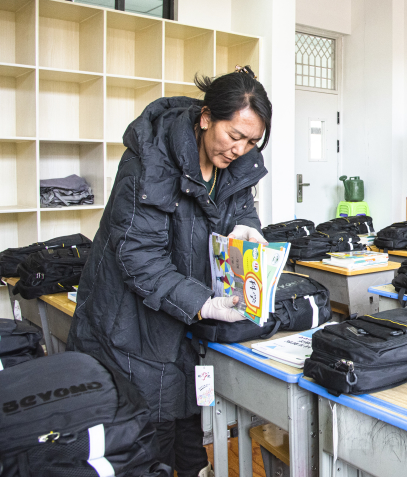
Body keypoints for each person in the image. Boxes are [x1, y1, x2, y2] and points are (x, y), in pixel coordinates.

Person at [68, 65, 272, 477]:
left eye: (252, 142)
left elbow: (239, 206)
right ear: (206, 118)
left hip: (182, 315)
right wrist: (202, 303)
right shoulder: (150, 160)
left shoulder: (236, 162)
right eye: (234, 136)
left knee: (187, 422)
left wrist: (247, 227)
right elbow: (138, 256)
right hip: (131, 320)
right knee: (150, 437)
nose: (240, 150)